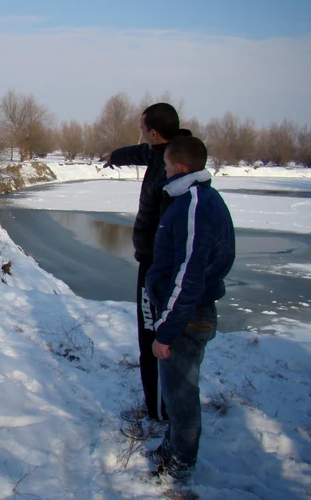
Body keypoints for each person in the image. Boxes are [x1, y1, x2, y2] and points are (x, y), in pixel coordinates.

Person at [144, 136, 235, 481]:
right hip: (185, 314)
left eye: (166, 165)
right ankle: (174, 449)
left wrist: (165, 332)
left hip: (186, 317)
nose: (164, 170)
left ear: (180, 167)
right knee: (176, 393)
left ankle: (179, 466)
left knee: (181, 398)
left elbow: (188, 277)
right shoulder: (190, 201)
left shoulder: (194, 205)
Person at [102, 103, 185, 436]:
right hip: (152, 263)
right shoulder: (161, 152)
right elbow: (139, 153)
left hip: (158, 267)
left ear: (153, 132)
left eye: (142, 128)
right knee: (151, 335)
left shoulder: (171, 169)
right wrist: (116, 156)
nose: (141, 133)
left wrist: (158, 272)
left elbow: (172, 228)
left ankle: (161, 412)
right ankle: (160, 406)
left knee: (153, 337)